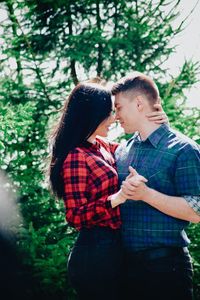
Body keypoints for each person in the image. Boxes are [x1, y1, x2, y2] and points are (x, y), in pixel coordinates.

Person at [48, 80, 167, 300]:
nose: (114, 119)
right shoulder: (76, 157)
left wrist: (155, 124)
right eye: (108, 113)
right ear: (92, 115)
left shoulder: (102, 146)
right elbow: (74, 216)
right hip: (94, 254)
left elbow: (135, 148)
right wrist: (117, 198)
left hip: (113, 249)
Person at [111, 71, 200, 300]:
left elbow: (197, 210)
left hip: (166, 271)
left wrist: (146, 194)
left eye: (119, 107)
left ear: (139, 103)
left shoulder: (183, 149)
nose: (116, 115)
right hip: (124, 271)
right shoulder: (121, 151)